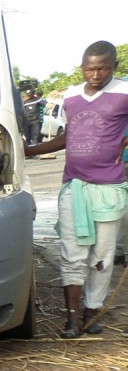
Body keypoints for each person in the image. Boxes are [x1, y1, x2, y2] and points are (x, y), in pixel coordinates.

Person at [25, 41, 128, 338]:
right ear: (82, 67)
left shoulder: (123, 91)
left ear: (114, 66)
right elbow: (70, 137)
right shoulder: (71, 95)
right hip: (75, 186)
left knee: (103, 256)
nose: (95, 74)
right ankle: (72, 320)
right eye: (89, 68)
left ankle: (91, 313)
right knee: (72, 253)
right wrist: (29, 150)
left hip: (109, 187)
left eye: (102, 68)